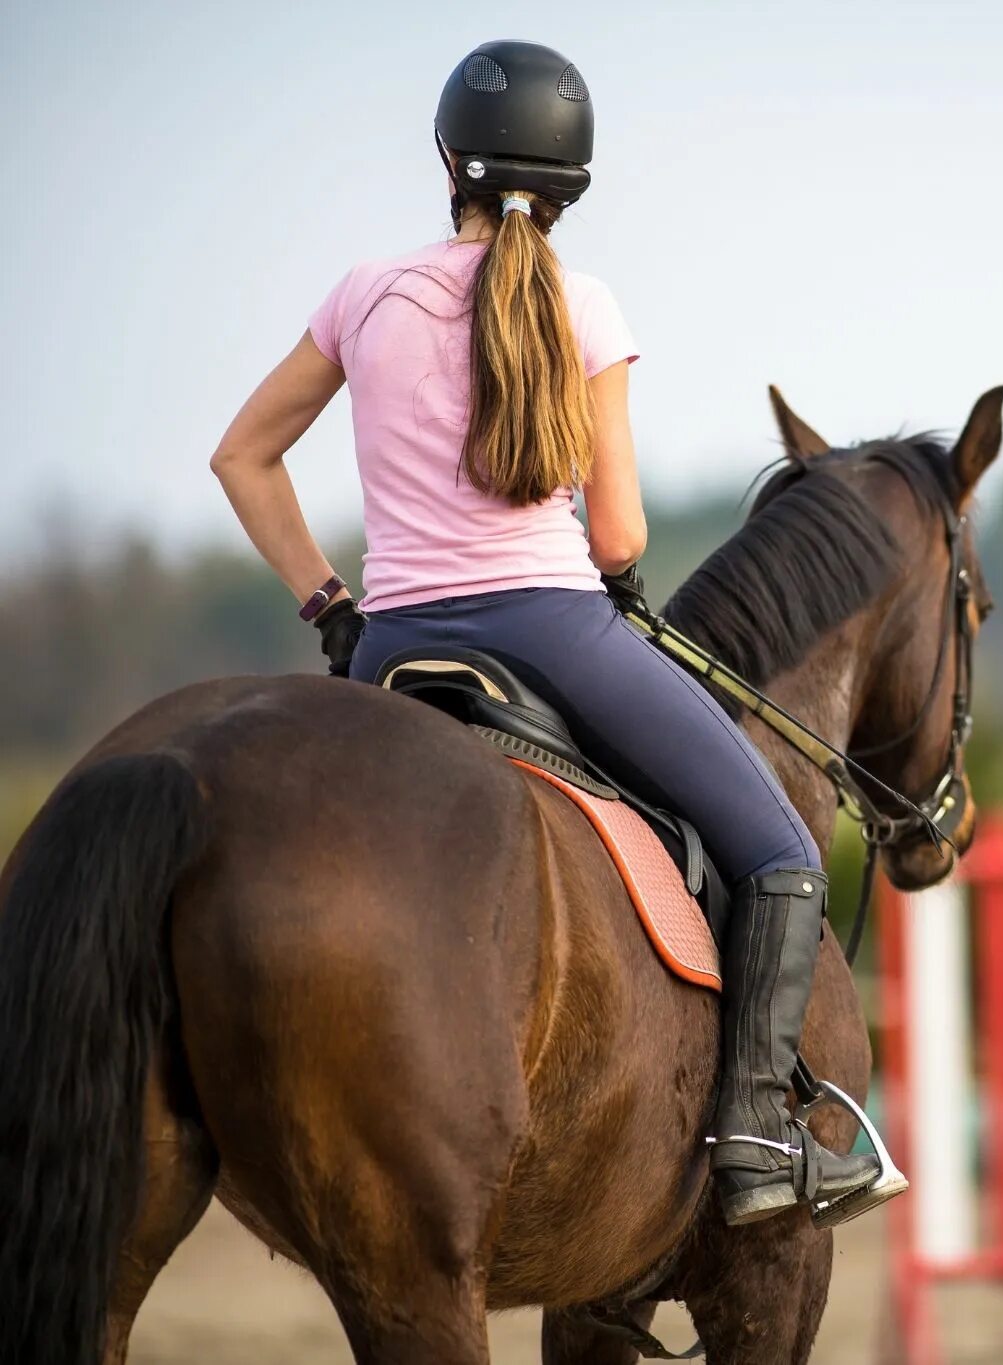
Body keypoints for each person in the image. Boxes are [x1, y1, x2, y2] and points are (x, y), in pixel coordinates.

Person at [207, 39, 885, 1227]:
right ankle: (752, 1141)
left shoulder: (364, 291)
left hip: (390, 651)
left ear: (445, 160)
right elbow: (617, 538)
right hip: (553, 630)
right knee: (779, 850)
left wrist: (329, 604)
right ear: (574, 183)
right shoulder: (585, 306)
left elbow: (242, 456)